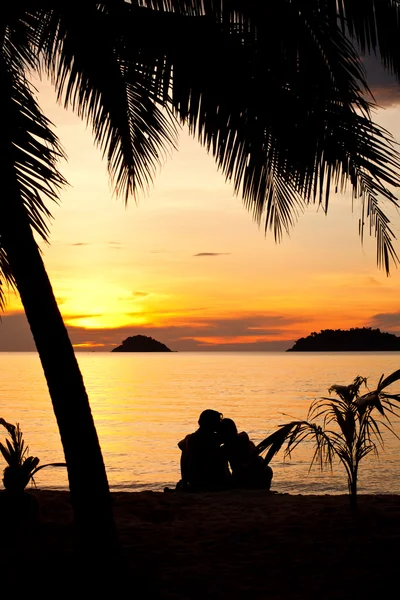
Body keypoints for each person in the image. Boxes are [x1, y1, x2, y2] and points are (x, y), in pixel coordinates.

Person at [176, 409, 231, 492]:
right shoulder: (215, 438)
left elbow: (180, 444)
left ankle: (184, 483)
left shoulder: (191, 438)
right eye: (217, 421)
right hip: (214, 482)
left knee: (184, 451)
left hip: (196, 481)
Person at [219, 418, 273, 490]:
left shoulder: (227, 448)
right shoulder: (246, 441)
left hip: (251, 475)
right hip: (265, 471)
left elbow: (227, 471)